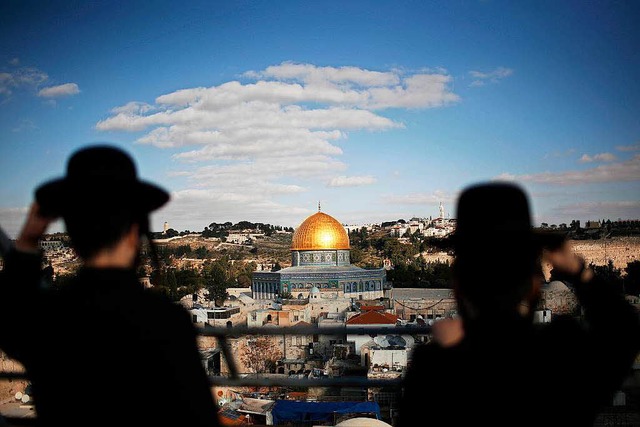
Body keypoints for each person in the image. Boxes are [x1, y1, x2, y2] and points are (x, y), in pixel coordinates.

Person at [0, 145, 220, 426]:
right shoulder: (165, 320)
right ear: (133, 233)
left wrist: (27, 241)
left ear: (74, 237)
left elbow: (8, 312)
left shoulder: (47, 318)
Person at [397, 182, 640, 426]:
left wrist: (446, 352)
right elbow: (625, 329)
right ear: (535, 286)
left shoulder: (436, 369)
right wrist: (579, 272)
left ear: (459, 288)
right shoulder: (563, 351)